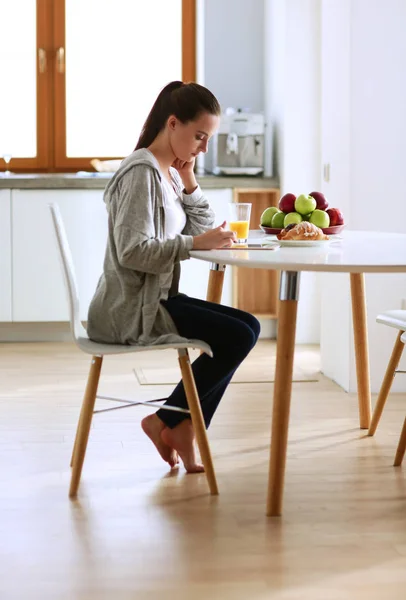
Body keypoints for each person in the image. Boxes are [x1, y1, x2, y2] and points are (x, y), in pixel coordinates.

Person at [87, 81, 260, 474]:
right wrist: (193, 242)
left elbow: (204, 225)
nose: (202, 148)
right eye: (199, 136)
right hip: (133, 308)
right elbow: (133, 251)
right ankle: (173, 423)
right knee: (238, 335)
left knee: (248, 326)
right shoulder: (141, 174)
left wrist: (190, 183)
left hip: (159, 297)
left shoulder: (166, 173)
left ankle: (176, 423)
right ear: (172, 124)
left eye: (207, 139)